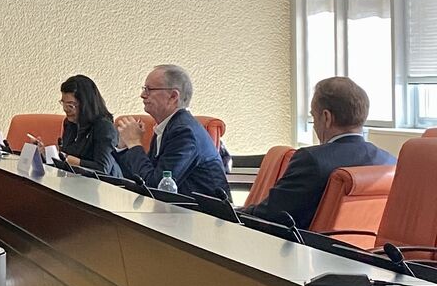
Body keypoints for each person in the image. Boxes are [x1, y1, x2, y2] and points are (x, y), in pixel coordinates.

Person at [245, 76, 394, 233]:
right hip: (365, 248)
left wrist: (235, 214)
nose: (314, 125)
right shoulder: (390, 163)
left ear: (326, 117)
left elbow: (270, 215)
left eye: (314, 117)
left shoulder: (312, 160)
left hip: (307, 248)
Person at [115, 64, 230, 203]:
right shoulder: (167, 126)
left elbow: (157, 188)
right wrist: (123, 145)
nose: (143, 95)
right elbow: (135, 179)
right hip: (176, 210)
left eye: (149, 89)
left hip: (203, 214)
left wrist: (134, 143)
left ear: (173, 96)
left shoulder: (184, 132)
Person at [56, 74, 120, 178]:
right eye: (63, 104)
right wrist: (47, 154)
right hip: (74, 181)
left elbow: (103, 168)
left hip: (101, 185)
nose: (65, 109)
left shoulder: (104, 127)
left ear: (86, 104)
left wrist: (72, 161)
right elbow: (66, 155)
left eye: (70, 105)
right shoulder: (70, 123)